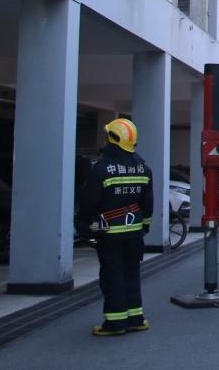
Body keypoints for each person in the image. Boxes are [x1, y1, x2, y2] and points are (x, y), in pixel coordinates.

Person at [77, 118, 154, 337]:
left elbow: (89, 202)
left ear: (113, 138)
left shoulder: (102, 169)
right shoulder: (143, 169)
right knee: (132, 274)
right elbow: (147, 204)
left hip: (109, 234)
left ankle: (115, 322)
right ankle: (136, 318)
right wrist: (144, 227)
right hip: (134, 233)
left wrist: (86, 226)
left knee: (112, 276)